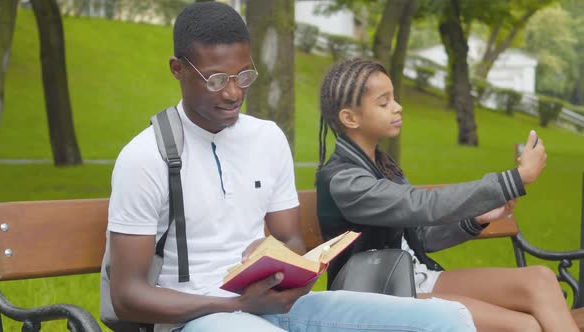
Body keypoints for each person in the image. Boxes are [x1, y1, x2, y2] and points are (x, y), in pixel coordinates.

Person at [103, 3, 481, 332]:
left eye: (243, 76)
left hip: (274, 305)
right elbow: (128, 296)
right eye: (216, 79)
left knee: (447, 320)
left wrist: (273, 256)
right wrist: (238, 305)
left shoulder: (266, 139)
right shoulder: (145, 157)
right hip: (196, 317)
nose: (233, 93)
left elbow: (292, 242)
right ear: (178, 69)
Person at [315, 59, 579, 332]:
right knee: (524, 326)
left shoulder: (383, 166)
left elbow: (421, 236)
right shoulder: (344, 181)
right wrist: (515, 180)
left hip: (418, 280)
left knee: (540, 279)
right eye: (384, 103)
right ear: (350, 118)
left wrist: (475, 219)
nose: (397, 107)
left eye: (394, 98)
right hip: (378, 296)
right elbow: (421, 204)